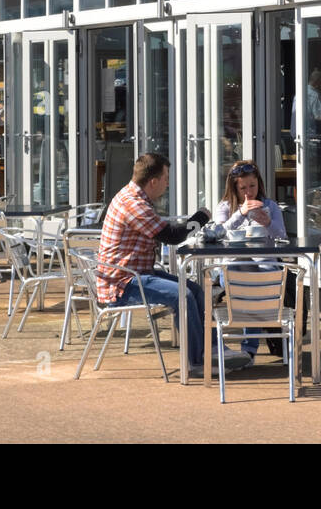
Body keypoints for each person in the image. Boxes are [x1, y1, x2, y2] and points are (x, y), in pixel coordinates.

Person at [96, 153, 243, 376]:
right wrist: (201, 217)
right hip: (122, 283)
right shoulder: (133, 204)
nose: (167, 183)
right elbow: (173, 236)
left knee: (195, 289)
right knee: (183, 295)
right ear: (153, 181)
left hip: (135, 274)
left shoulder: (135, 197)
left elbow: (166, 230)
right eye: (166, 178)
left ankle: (213, 348)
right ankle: (195, 362)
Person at [212, 159, 289, 364]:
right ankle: (249, 349)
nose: (249, 193)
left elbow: (282, 236)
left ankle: (248, 351)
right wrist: (241, 213)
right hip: (233, 268)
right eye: (243, 188)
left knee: (255, 279)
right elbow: (219, 235)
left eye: (252, 186)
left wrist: (269, 223)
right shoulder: (225, 207)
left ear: (259, 184)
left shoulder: (270, 206)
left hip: (264, 269)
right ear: (234, 188)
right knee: (246, 275)